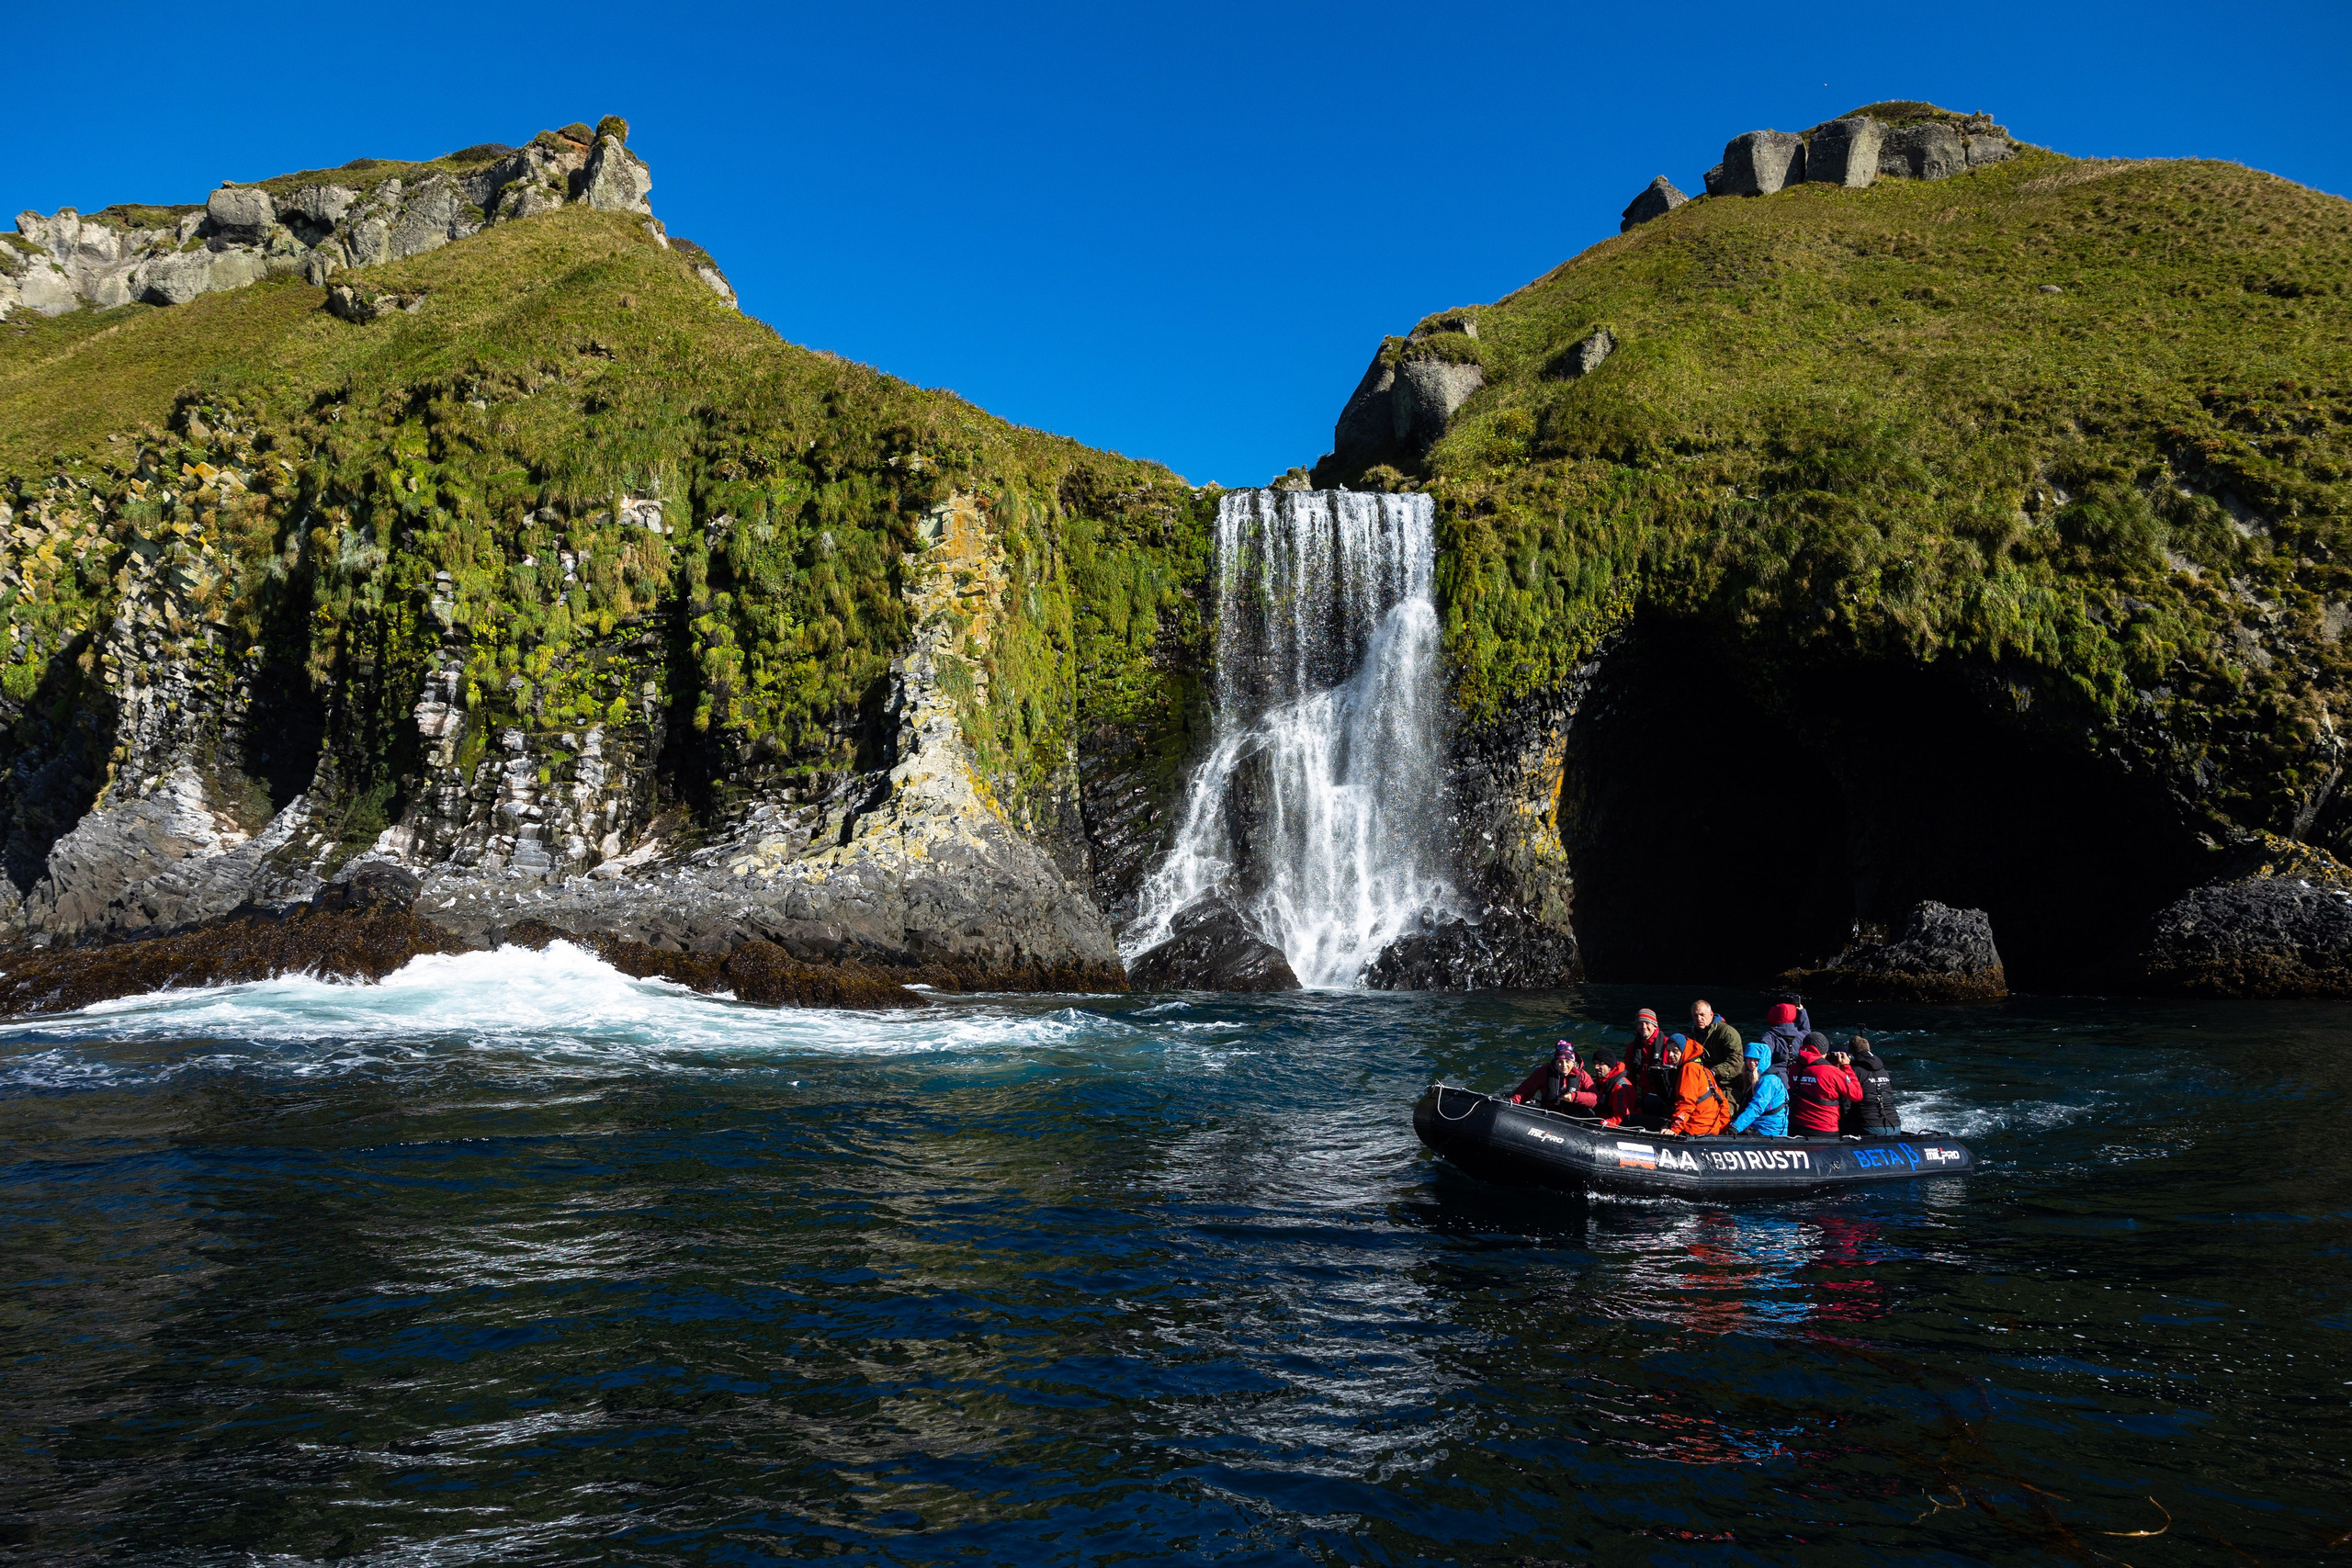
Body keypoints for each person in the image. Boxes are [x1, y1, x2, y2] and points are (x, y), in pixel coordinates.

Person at [1790, 1031, 1863, 1135]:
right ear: (1824, 1052)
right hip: (1825, 1128)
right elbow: (1857, 1094)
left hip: (1798, 1127)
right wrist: (1846, 1067)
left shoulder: (1793, 1069)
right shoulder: (1832, 1072)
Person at [1667, 1034, 1736, 1135]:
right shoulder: (1703, 1068)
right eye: (1668, 1051)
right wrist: (1724, 1129)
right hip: (1712, 1128)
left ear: (1683, 1050)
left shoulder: (1689, 1069)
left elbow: (1686, 1102)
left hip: (1694, 1130)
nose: (1670, 1055)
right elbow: (1722, 1101)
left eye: (1675, 1051)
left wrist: (1674, 1129)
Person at [1508, 1041, 1599, 1112]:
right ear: (1555, 1061)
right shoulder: (1544, 1071)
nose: (1564, 1065)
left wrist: (1574, 1097)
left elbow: (1594, 1098)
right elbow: (1525, 1090)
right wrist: (1512, 1103)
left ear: (1573, 1062)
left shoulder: (1582, 1075)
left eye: (1567, 1061)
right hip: (1549, 1113)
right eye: (1560, 1062)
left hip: (1573, 1116)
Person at [1842, 1034, 1901, 1136]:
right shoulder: (1884, 1072)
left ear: (1850, 1055)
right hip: (1895, 1127)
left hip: (1870, 1127)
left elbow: (1845, 1105)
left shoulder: (1853, 1072)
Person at [1690, 998, 1746, 1102]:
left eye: (1702, 1014)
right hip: (1703, 1084)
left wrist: (1713, 1072)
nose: (1699, 1018)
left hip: (1728, 1085)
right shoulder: (1693, 1036)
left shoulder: (1727, 1033)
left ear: (1711, 1014)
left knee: (1720, 1113)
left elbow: (1736, 1063)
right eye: (1695, 1015)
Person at [1729, 1040, 1789, 1135]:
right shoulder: (1752, 1078)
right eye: (1749, 1058)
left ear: (1763, 1060)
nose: (1751, 1062)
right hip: (1759, 1125)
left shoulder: (1769, 1080)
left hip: (1769, 1130)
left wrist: (1736, 1127)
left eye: (1756, 1059)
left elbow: (1757, 1106)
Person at [1628, 1008, 1673, 1127]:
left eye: (1647, 1023)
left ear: (1654, 1025)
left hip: (1666, 1097)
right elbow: (1629, 1075)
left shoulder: (1668, 1045)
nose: (1643, 1026)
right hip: (1644, 1095)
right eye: (1640, 1023)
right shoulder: (1632, 1048)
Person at [1588, 1055, 1639, 1125]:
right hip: (1602, 1117)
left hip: (1617, 1125)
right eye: (1595, 1063)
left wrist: (1599, 1125)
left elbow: (1620, 1118)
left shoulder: (1621, 1088)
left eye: (1600, 1063)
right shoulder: (1601, 1081)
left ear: (1610, 1066)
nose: (1596, 1067)